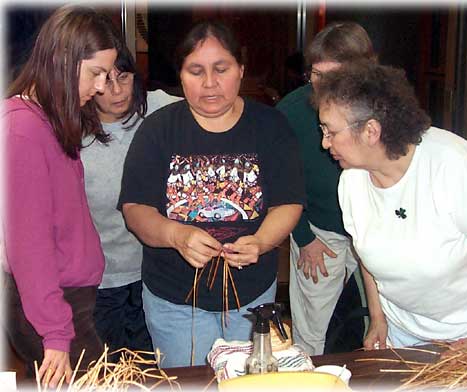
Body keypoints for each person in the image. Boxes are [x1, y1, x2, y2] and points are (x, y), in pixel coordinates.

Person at [117, 21, 305, 367]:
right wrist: (176, 234)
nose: (209, 84)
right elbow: (135, 209)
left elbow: (288, 201)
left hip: (252, 301)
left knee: (247, 382)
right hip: (175, 300)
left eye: (221, 69)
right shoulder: (159, 129)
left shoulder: (271, 126)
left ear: (241, 70)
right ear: (181, 75)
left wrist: (262, 241)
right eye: (196, 71)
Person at [315, 61, 467, 350]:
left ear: (371, 131)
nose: (325, 144)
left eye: (331, 132)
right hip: (403, 333)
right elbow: (366, 255)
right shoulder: (351, 181)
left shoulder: (450, 163)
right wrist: (378, 318)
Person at [3, 5, 120, 388]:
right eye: (96, 73)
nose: (102, 87)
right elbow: (28, 243)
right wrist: (55, 332)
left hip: (68, 300)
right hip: (52, 306)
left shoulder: (45, 120)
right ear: (60, 60)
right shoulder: (23, 129)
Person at [276, 21, 376, 355]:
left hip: (374, 229)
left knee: (377, 323)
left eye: (334, 76)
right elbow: (279, 184)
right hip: (320, 232)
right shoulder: (290, 112)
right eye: (316, 75)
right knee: (312, 336)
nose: (322, 86)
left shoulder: (383, 106)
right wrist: (303, 237)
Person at [81, 40, 182, 357]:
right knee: (107, 366)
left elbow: (213, 106)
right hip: (100, 278)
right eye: (105, 82)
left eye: (123, 77)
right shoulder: (73, 134)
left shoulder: (159, 108)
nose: (117, 91)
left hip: (154, 272)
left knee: (154, 365)